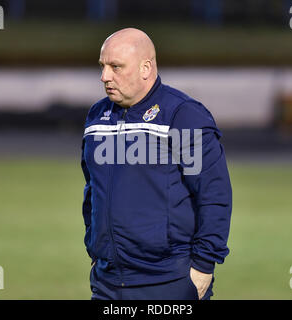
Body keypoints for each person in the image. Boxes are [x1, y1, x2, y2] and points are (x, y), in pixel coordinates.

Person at [80, 28, 232, 300]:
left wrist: (203, 266)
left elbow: (214, 194)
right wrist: (95, 250)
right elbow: (92, 191)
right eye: (103, 66)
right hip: (108, 282)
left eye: (116, 67)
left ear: (145, 68)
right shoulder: (96, 117)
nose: (105, 77)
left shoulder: (183, 115)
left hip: (168, 280)